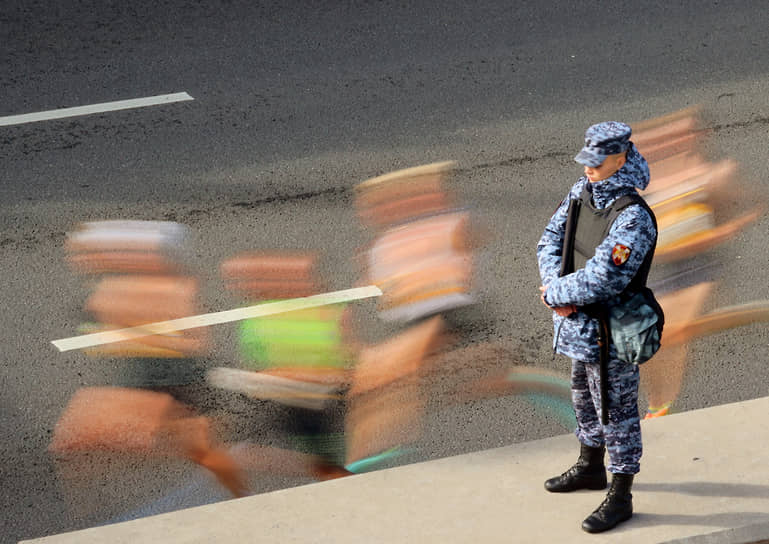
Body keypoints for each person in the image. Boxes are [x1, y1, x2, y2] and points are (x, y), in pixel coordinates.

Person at [537, 121, 656, 533]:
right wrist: (557, 286)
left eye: (597, 161)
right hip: (578, 326)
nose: (588, 168)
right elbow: (550, 240)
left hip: (613, 332)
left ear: (620, 158)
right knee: (583, 399)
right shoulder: (581, 191)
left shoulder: (633, 217)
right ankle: (590, 467)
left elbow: (607, 277)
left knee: (616, 410)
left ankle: (621, 493)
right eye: (586, 160)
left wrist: (557, 296)